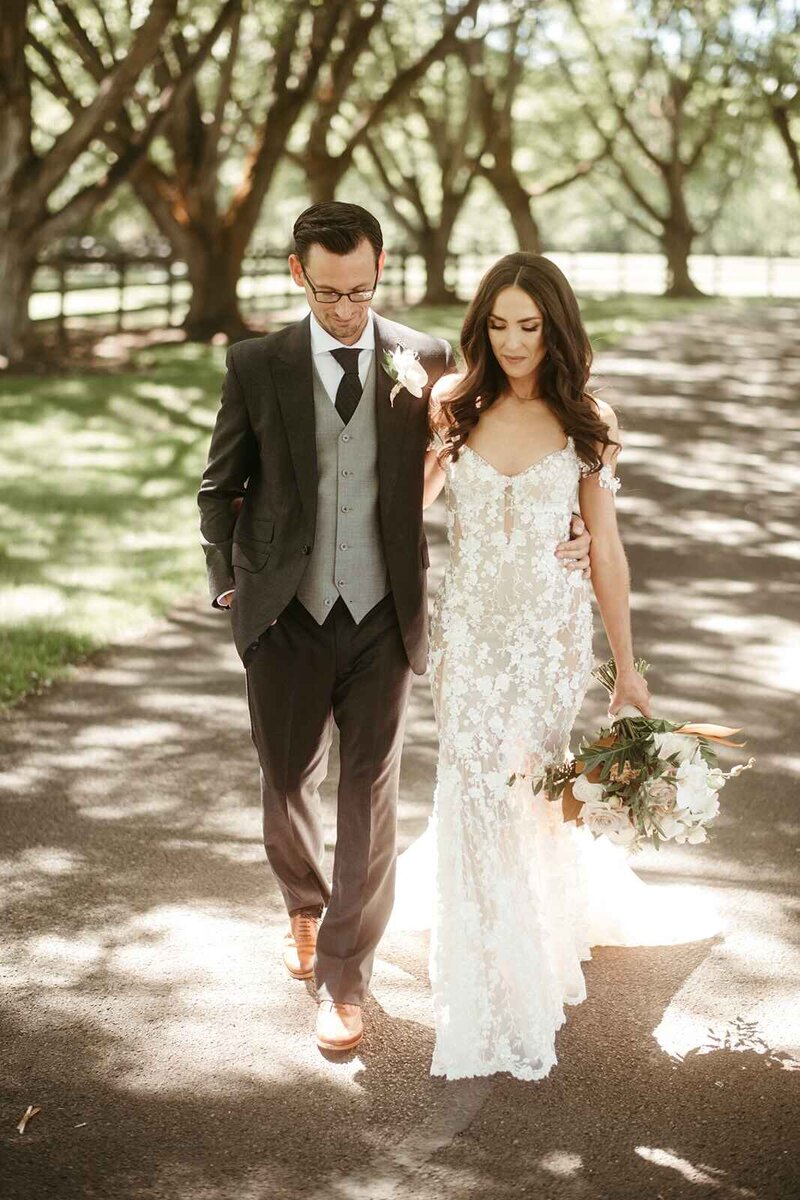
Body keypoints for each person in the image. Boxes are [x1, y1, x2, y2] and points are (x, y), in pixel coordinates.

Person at [197, 206, 595, 1054]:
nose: (347, 308)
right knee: (286, 777)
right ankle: (304, 904)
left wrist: (565, 524)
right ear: (298, 273)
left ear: (381, 269)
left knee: (370, 792)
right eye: (330, 291)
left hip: (385, 611)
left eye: (363, 289)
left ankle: (345, 978)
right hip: (285, 611)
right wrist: (230, 585)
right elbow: (219, 487)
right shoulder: (256, 363)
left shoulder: (427, 360)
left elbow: (481, 450)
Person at [395, 251, 718, 1081]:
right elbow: (411, 510)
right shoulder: (451, 405)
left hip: (546, 636)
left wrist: (626, 671)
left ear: (556, 327)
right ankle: (489, 977)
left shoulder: (588, 419)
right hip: (468, 635)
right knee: (472, 788)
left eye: (529, 326)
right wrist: (428, 460)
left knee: (532, 791)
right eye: (497, 325)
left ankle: (534, 932)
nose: (512, 341)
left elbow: (605, 548)